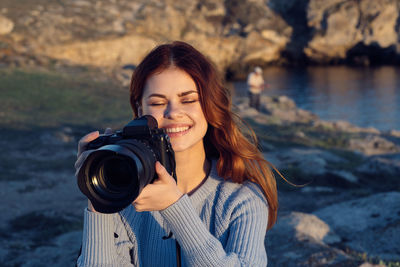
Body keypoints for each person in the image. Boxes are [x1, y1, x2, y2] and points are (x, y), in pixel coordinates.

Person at [75, 41, 278, 266]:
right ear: (140, 111)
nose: (173, 112)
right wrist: (100, 198)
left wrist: (174, 207)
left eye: (188, 100)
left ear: (210, 106)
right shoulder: (125, 196)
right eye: (158, 102)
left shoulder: (241, 199)